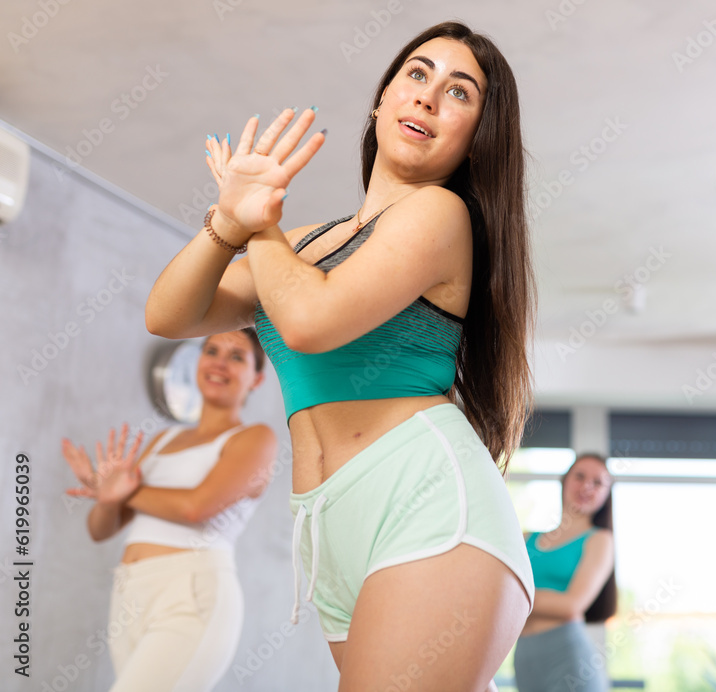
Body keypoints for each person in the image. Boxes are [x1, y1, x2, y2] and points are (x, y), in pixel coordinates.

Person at [144, 21, 535, 691]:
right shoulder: (298, 243)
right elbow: (170, 313)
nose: (428, 97)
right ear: (382, 100)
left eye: (459, 92)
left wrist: (259, 224)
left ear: (478, 137)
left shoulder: (441, 215)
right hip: (330, 529)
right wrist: (228, 222)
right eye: (416, 74)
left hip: (426, 506)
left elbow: (308, 322)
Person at [61, 328, 277, 692]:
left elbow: (196, 507)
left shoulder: (256, 439)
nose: (219, 363)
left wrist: (116, 490)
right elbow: (100, 530)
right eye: (211, 350)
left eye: (236, 356)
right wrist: (108, 498)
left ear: (256, 378)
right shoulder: (163, 439)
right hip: (130, 595)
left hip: (191, 592)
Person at [515, 453, 616, 692]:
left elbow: (572, 605)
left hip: (569, 657)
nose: (587, 486)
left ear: (606, 495)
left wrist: (516, 597)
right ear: (564, 482)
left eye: (598, 482)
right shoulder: (526, 539)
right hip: (524, 656)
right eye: (579, 477)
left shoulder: (600, 540)